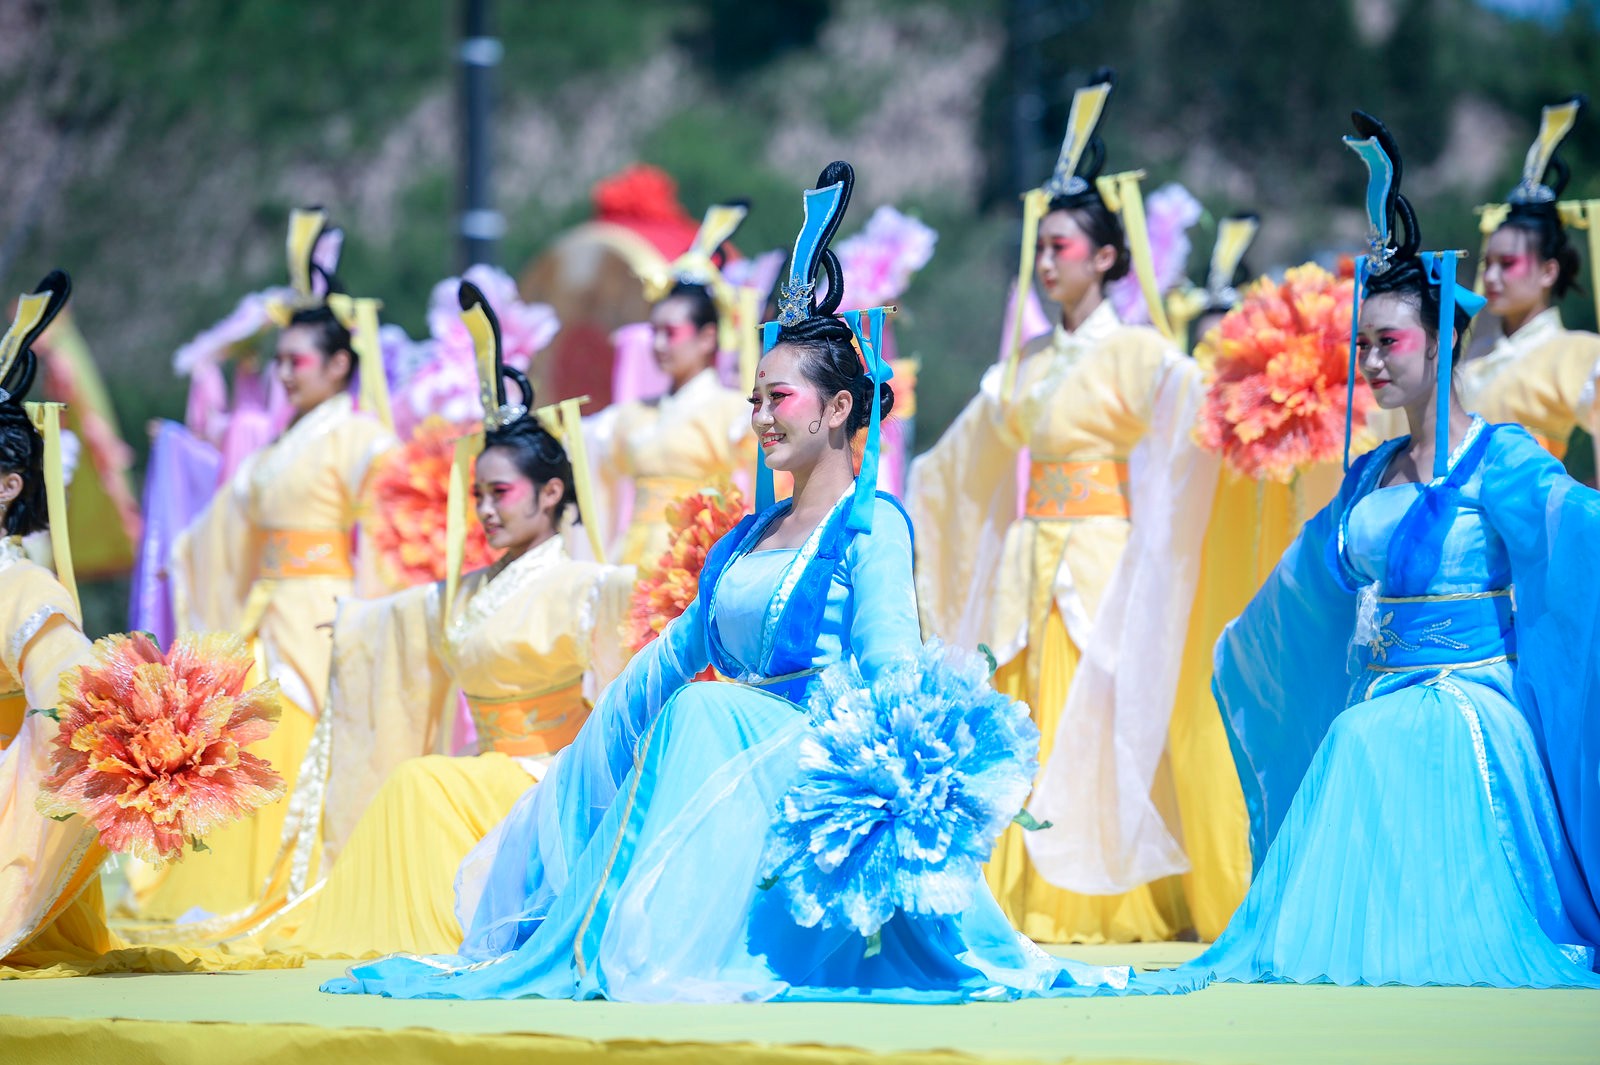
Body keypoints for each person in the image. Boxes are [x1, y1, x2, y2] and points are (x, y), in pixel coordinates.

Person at [323, 162, 1126, 1002]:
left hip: (812, 776)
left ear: (839, 410)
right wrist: (578, 770)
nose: (763, 417)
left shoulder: (869, 524)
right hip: (724, 766)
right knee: (683, 706)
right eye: (755, 400)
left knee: (705, 708)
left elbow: (889, 669)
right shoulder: (747, 538)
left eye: (780, 397)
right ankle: (606, 933)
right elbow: (667, 662)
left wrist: (907, 791)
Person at [1151, 113, 1600, 991]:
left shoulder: (1498, 458)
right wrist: (1236, 647)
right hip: (1382, 694)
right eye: (1362, 344)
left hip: (1474, 701)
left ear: (1442, 342)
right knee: (1358, 734)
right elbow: (1300, 587)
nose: (1371, 360)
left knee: (1367, 739)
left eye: (1387, 341)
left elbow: (1574, 531)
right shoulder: (1367, 474)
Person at [908, 69, 1221, 943]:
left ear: (1109, 257)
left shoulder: (1141, 354)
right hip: (1026, 563)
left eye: (1064, 249)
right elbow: (953, 462)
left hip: (1100, 561)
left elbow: (1190, 426)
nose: (1047, 264)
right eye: (1040, 248)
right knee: (1016, 718)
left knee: (1097, 714)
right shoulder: (1025, 365)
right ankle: (1001, 895)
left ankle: (1093, 895)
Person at [268, 281, 634, 956]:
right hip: (488, 767)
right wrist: (351, 628)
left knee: (419, 780)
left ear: (552, 492)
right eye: (479, 496)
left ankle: (436, 942)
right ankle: (403, 938)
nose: (487, 510)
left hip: (546, 774)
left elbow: (631, 661)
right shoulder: (471, 589)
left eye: (502, 493)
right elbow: (402, 620)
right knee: (422, 779)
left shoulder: (590, 584)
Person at [129, 207, 398, 926]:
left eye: (297, 361)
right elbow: (223, 520)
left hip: (323, 604)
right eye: (278, 362)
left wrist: (368, 611)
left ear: (340, 364)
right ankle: (226, 884)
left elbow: (388, 536)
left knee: (294, 735)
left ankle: (293, 884)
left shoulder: (366, 438)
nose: (283, 374)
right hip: (266, 606)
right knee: (237, 734)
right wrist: (179, 555)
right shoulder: (278, 449)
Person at [586, 204, 759, 566]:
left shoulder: (735, 411)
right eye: (654, 333)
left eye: (672, 333)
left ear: (707, 337)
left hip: (695, 557)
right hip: (630, 560)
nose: (659, 345)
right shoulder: (632, 414)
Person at [1469, 95, 1600, 460]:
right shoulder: (1472, 356)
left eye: (1507, 263)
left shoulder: (1579, 353)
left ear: (1548, 271)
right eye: (1487, 262)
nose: (1491, 276)